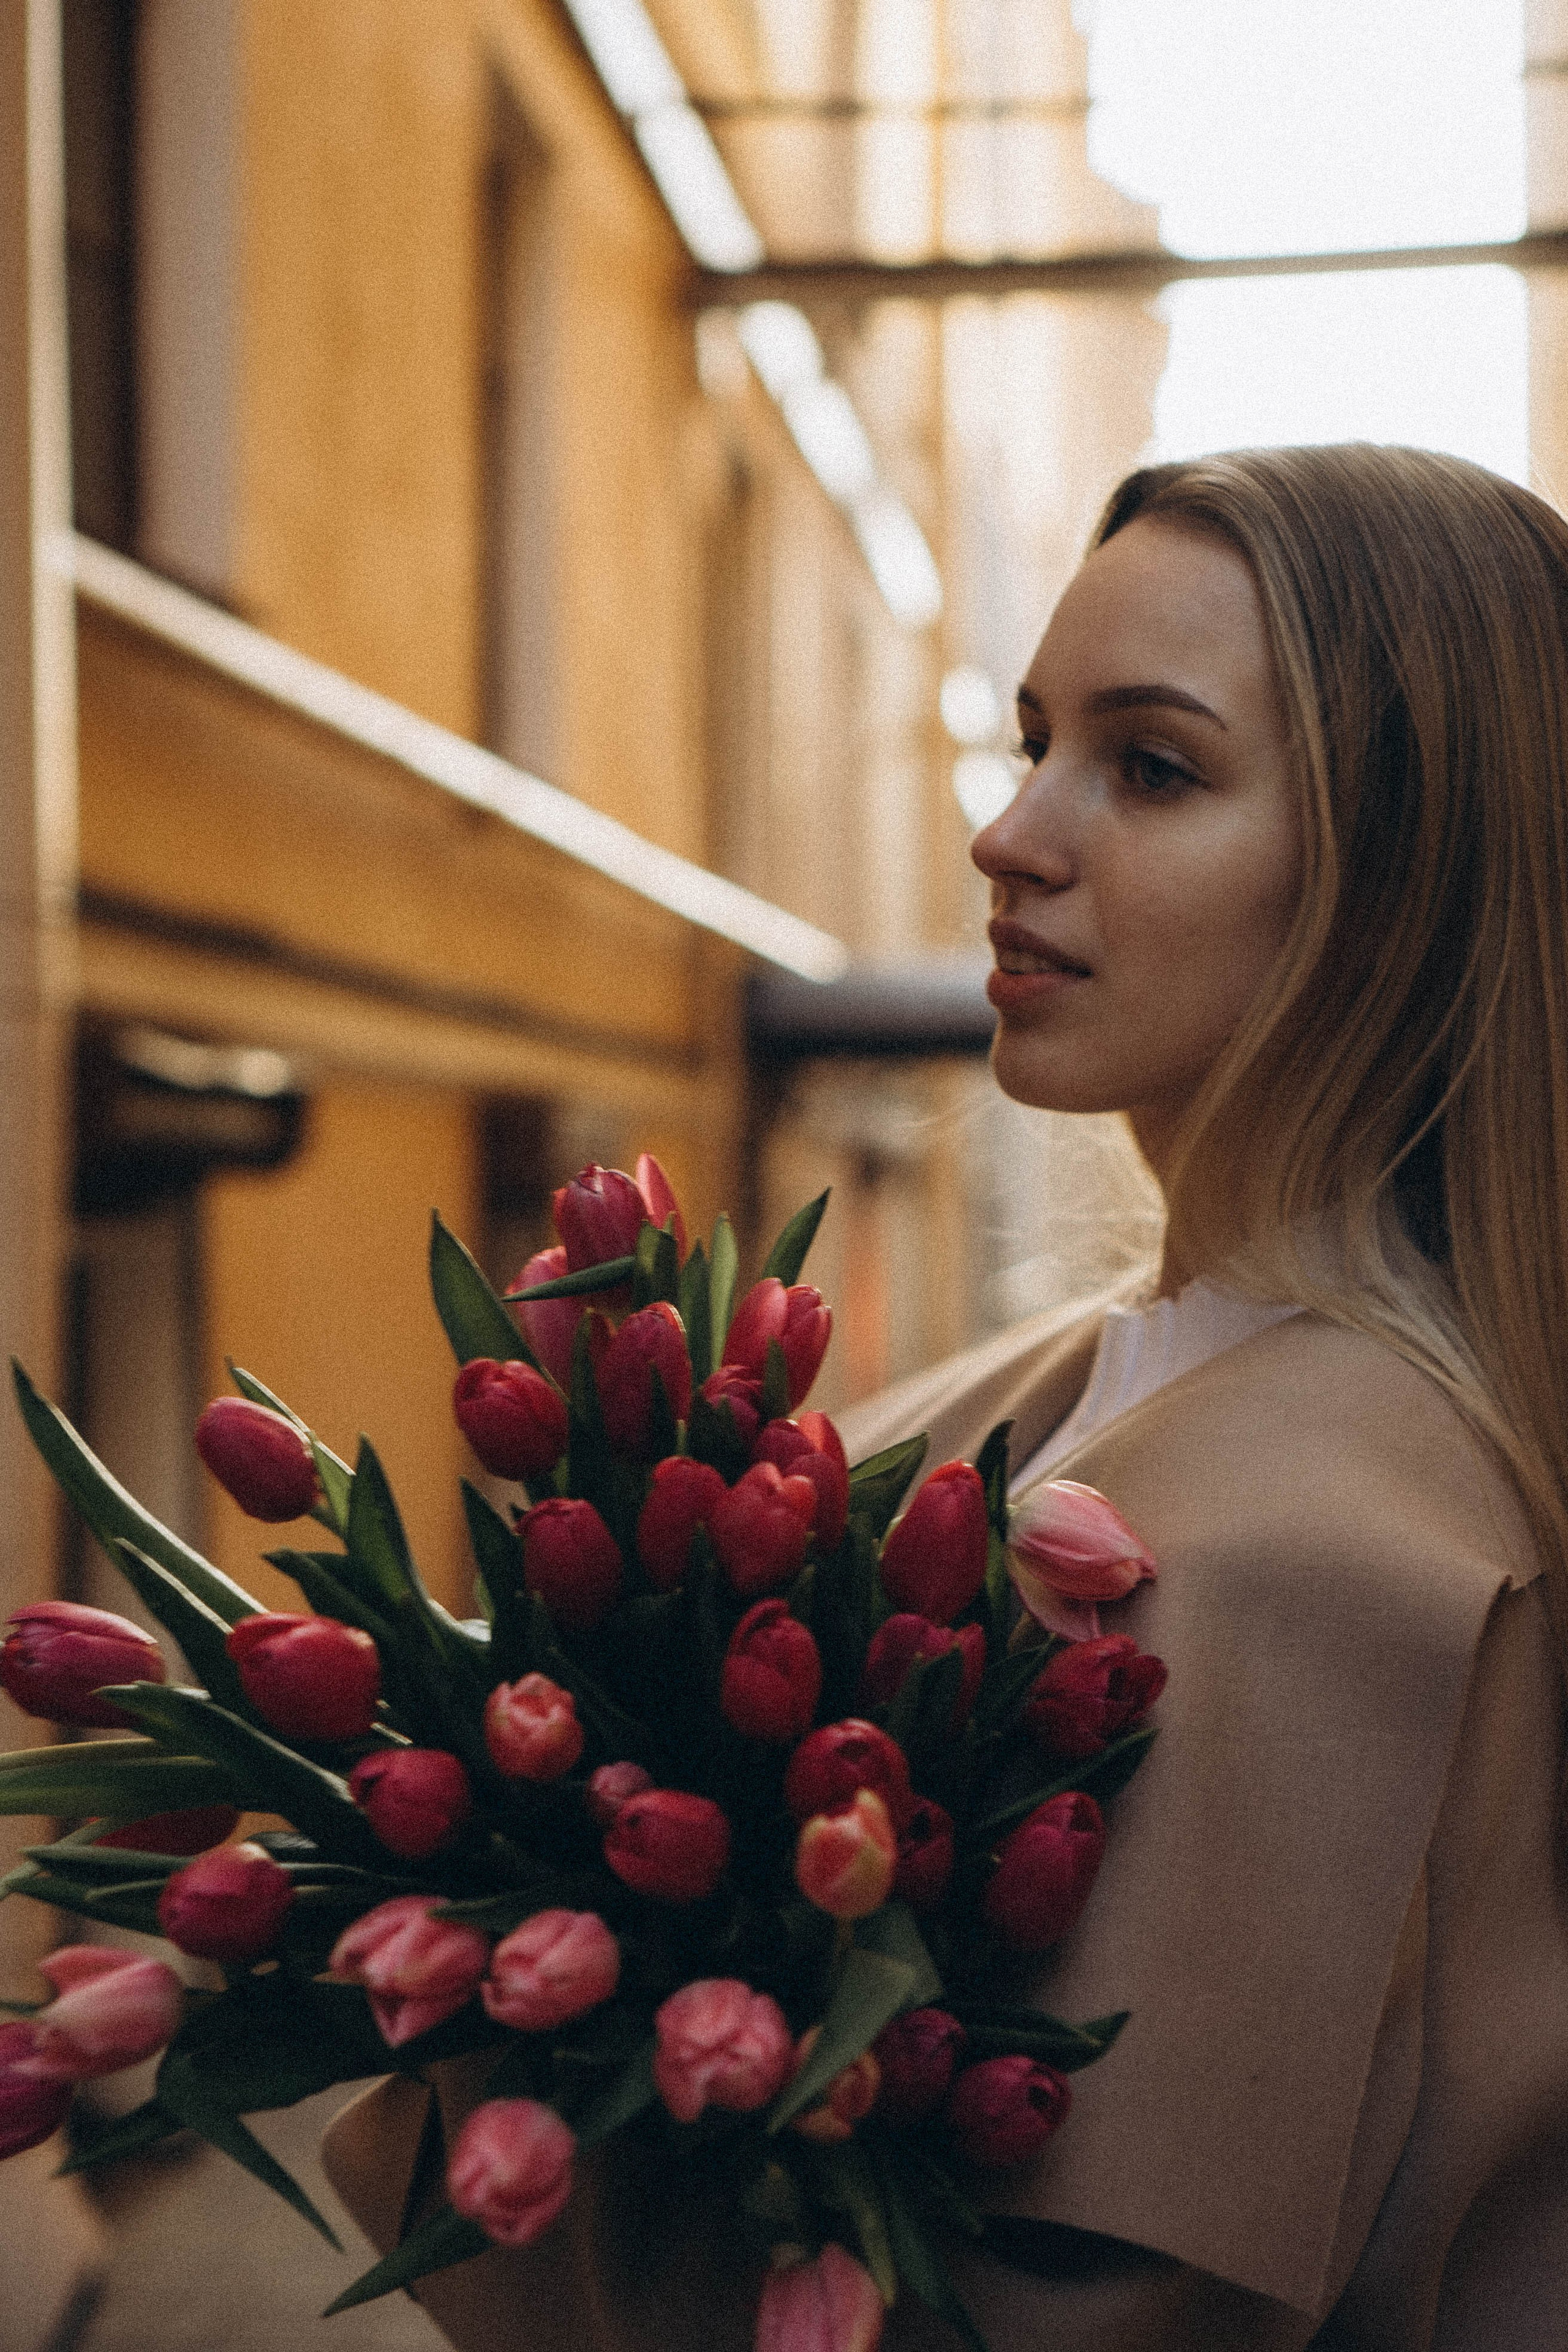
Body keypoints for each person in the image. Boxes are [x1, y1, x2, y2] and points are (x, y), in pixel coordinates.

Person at [323, 445, 1568, 2349]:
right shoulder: (1092, 1379)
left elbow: (1065, 2318)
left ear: (1408, 876)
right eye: (1034, 740)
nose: (1012, 834)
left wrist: (502, 2092)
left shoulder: (1337, 1557)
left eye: (1150, 767)